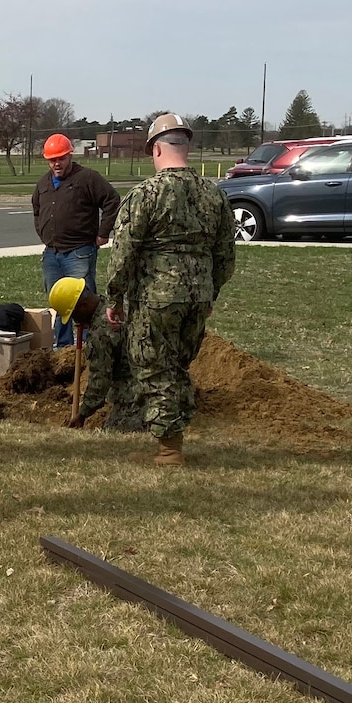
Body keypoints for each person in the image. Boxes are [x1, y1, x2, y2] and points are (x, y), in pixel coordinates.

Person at [104, 112, 237, 464]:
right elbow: (225, 253)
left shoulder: (145, 194)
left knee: (153, 366)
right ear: (187, 147)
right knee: (178, 365)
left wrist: (114, 296)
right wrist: (210, 292)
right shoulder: (215, 195)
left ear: (156, 150)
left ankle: (169, 447)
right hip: (198, 295)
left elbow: (124, 252)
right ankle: (173, 438)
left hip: (156, 296)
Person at [31, 131, 120, 348]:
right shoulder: (43, 183)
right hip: (52, 254)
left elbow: (112, 200)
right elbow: (36, 209)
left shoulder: (87, 178)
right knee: (59, 302)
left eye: (61, 158)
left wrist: (102, 232)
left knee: (83, 302)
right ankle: (64, 347)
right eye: (52, 160)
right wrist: (43, 234)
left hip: (79, 252)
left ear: (70, 156)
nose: (57, 164)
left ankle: (92, 345)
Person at [51, 278, 143, 432]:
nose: (75, 322)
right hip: (154, 381)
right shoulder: (117, 306)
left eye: (74, 315)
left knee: (114, 435)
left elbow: (100, 379)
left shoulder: (101, 332)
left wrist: (83, 413)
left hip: (136, 395)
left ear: (84, 306)